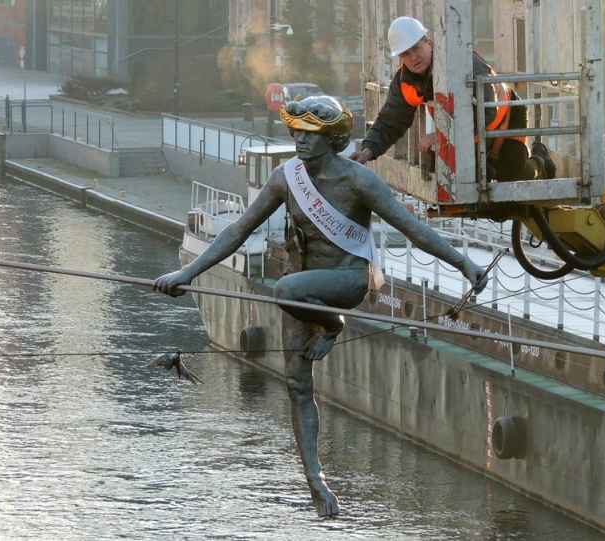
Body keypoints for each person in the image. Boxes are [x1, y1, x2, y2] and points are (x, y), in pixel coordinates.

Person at [153, 95, 489, 517]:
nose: (300, 141)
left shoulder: (358, 181)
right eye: (296, 132)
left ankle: (333, 326)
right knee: (297, 385)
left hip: (345, 282)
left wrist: (464, 263)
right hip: (305, 287)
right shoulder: (285, 177)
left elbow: (414, 229)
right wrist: (189, 273)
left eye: (311, 135)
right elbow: (238, 229)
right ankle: (317, 483)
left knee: (285, 291)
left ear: (334, 139)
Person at [349, 16, 555, 181]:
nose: (413, 57)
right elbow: (390, 121)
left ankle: (541, 162)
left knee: (511, 176)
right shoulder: (405, 82)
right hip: (469, 134)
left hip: (508, 118)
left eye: (416, 48)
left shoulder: (464, 63)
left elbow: (487, 112)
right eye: (405, 54)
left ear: (429, 43)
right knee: (476, 178)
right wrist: (368, 152)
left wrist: (439, 136)